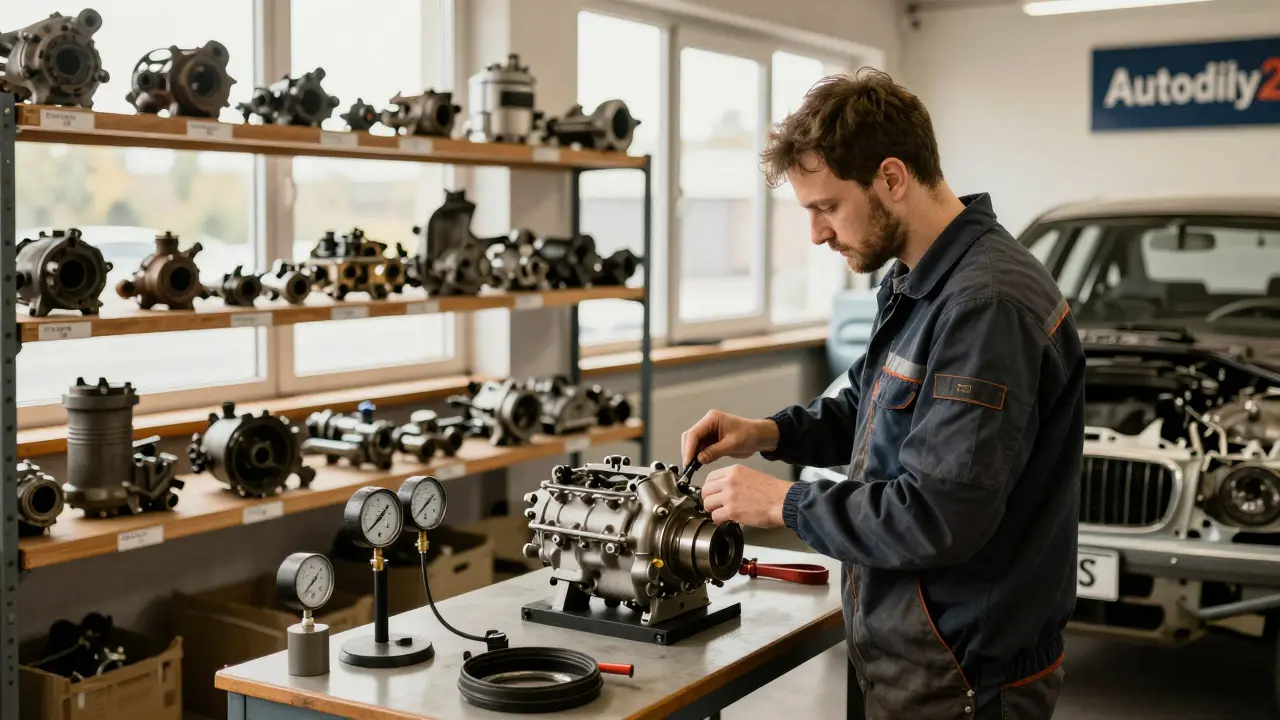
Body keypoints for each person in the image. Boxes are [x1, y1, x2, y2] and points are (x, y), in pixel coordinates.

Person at [681, 68, 1084, 720]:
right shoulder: (917, 281)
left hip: (964, 671)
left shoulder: (984, 304)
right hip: (907, 647)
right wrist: (768, 433)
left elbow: (940, 515)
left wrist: (785, 503)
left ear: (892, 178)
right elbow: (869, 410)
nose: (815, 233)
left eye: (827, 207)